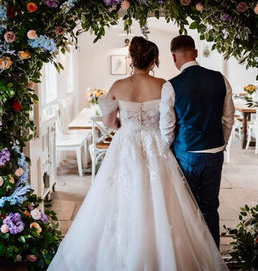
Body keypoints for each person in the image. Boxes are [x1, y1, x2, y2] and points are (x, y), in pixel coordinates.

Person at [47, 36, 228, 271]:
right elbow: (169, 121)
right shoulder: (164, 84)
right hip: (157, 146)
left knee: (120, 198)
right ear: (154, 60)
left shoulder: (117, 86)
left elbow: (110, 121)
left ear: (131, 59)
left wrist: (128, 127)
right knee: (162, 201)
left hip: (127, 145)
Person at [160, 35, 235, 248]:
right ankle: (213, 255)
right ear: (195, 52)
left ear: (174, 57)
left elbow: (167, 129)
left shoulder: (171, 86)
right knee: (210, 206)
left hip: (187, 153)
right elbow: (228, 118)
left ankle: (193, 254)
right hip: (215, 152)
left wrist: (168, 151)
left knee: (188, 207)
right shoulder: (220, 79)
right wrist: (222, 143)